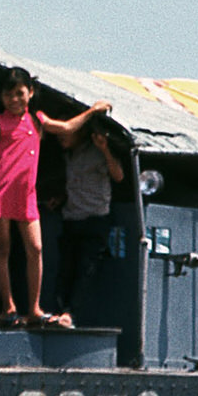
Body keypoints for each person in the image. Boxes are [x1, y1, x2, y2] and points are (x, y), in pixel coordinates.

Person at [0, 67, 111, 326]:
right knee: (2, 248)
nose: (15, 99)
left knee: (36, 248)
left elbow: (66, 127)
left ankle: (34, 308)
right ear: (1, 97)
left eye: (19, 93)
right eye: (9, 95)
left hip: (26, 195)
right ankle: (8, 307)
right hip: (2, 192)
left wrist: (93, 111)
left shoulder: (37, 120)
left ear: (30, 92)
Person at [55, 121, 124, 328]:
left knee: (85, 270)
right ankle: (60, 311)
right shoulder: (68, 156)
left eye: (65, 133)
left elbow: (118, 175)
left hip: (94, 219)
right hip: (71, 217)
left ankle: (71, 314)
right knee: (65, 270)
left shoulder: (97, 153)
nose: (61, 137)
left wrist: (105, 149)